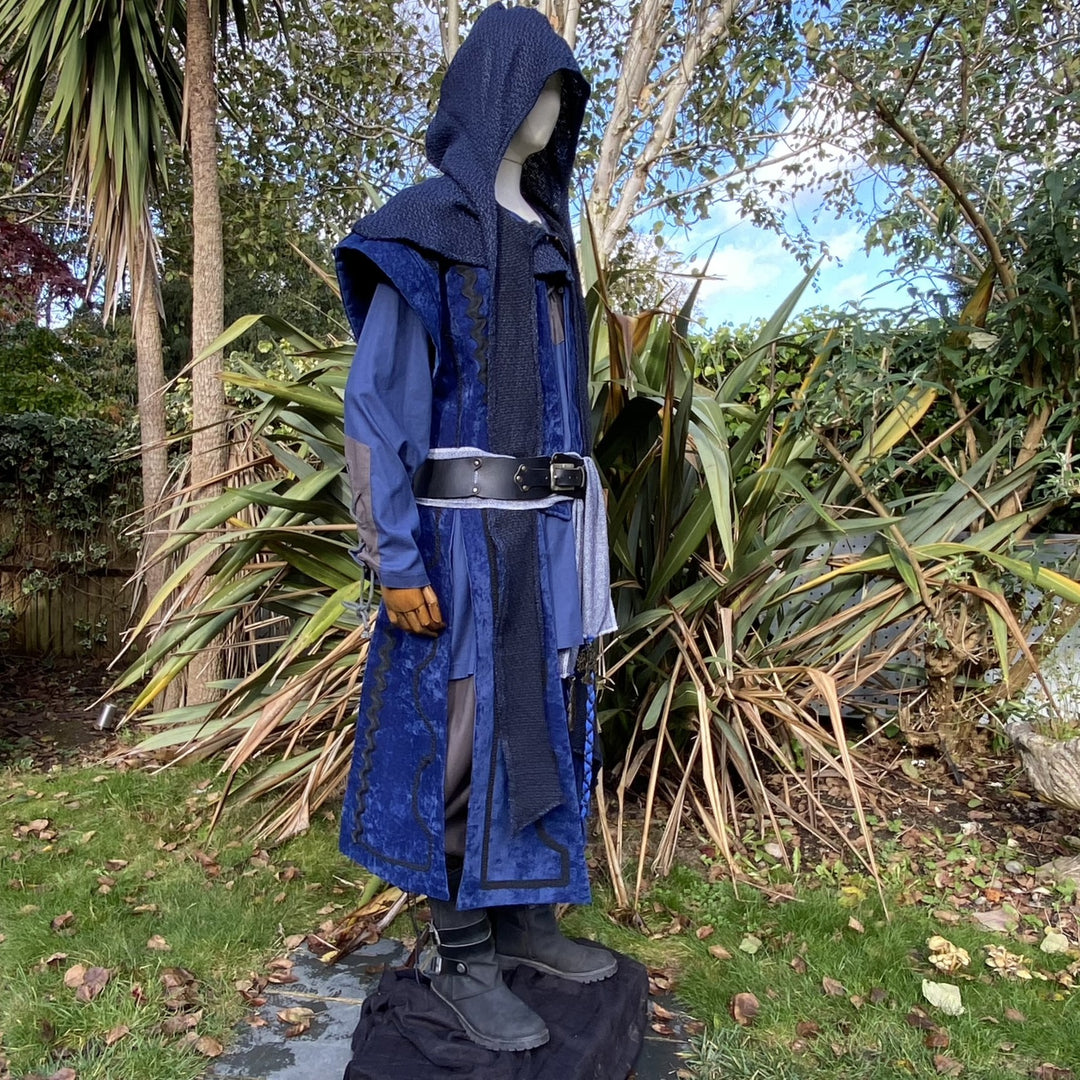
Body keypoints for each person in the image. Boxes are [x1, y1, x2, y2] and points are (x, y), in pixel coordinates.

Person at [334, 3, 618, 1052]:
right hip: (455, 546)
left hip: (544, 546)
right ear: (494, 92)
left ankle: (522, 920)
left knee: (535, 726)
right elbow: (378, 417)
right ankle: (458, 952)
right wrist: (393, 555)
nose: (556, 110)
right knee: (457, 740)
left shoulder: (546, 245)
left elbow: (564, 408)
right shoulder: (425, 231)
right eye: (541, 87)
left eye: (566, 94)